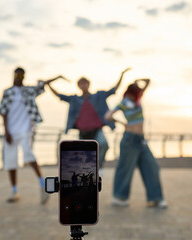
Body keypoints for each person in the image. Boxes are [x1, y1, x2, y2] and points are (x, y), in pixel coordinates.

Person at [0, 67, 65, 204]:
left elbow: (42, 84)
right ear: (13, 75)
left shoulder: (28, 90)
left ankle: (43, 185)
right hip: (11, 130)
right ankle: (14, 191)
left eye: (21, 75)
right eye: (17, 74)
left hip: (25, 129)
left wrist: (57, 77)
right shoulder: (8, 92)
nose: (19, 77)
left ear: (24, 76)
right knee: (10, 160)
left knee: (29, 155)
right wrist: (6, 131)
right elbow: (3, 111)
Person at [47, 68, 131, 175]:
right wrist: (48, 85)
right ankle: (88, 172)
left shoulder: (98, 96)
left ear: (89, 84)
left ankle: (99, 167)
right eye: (81, 84)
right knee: (83, 155)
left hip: (97, 129)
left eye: (85, 83)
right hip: (83, 132)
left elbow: (113, 89)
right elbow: (59, 95)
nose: (83, 86)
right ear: (78, 86)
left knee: (104, 144)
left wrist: (122, 74)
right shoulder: (74, 99)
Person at [105, 79, 167, 208]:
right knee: (125, 169)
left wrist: (138, 80)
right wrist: (123, 123)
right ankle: (119, 197)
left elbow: (148, 81)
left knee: (152, 166)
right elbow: (108, 116)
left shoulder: (137, 100)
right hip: (130, 140)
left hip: (141, 140)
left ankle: (155, 198)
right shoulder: (124, 102)